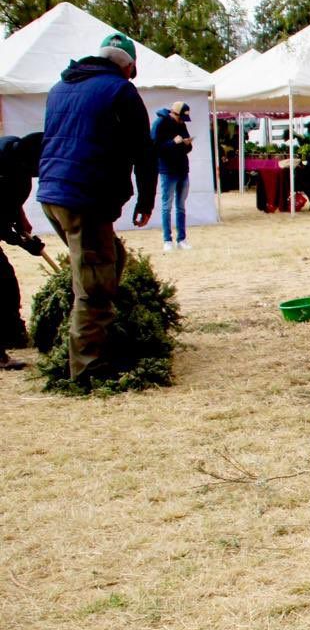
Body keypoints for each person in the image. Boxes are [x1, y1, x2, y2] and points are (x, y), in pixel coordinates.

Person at [36, 31, 156, 387]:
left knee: (110, 259)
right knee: (95, 284)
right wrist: (146, 201)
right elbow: (143, 153)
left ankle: (94, 342)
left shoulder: (60, 88)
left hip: (52, 195)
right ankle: (89, 371)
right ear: (129, 67)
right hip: (83, 198)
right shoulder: (120, 90)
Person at [0, 132, 45, 370]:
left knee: (6, 282)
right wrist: (22, 242)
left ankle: (12, 334)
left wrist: (21, 220)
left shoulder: (17, 160)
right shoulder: (2, 167)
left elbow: (11, 203)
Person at [152, 101, 194, 251]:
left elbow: (187, 148)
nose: (183, 121)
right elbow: (154, 148)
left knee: (181, 206)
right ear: (174, 113)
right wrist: (172, 143)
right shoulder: (160, 123)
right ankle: (167, 239)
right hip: (167, 170)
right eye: (181, 118)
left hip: (182, 169)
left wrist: (187, 144)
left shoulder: (182, 125)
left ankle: (181, 239)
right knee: (166, 206)